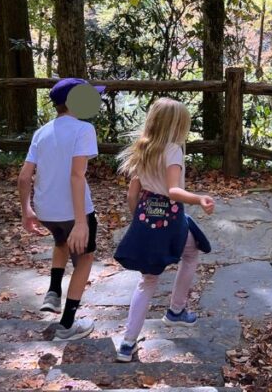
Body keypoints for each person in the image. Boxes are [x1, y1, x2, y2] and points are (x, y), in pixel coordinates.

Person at [112, 98, 215, 363]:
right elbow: (173, 191)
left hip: (147, 215)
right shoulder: (172, 150)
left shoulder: (144, 148)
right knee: (191, 254)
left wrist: (138, 219)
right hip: (170, 216)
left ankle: (127, 342)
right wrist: (198, 198)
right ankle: (176, 310)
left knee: (148, 279)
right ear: (177, 125)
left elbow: (132, 193)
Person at [17, 77, 104, 342]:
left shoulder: (42, 132)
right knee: (84, 260)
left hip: (45, 211)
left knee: (61, 243)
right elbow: (77, 176)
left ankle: (53, 293)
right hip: (73, 212)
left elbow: (24, 177)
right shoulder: (83, 129)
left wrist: (27, 210)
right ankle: (67, 326)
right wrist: (80, 222)